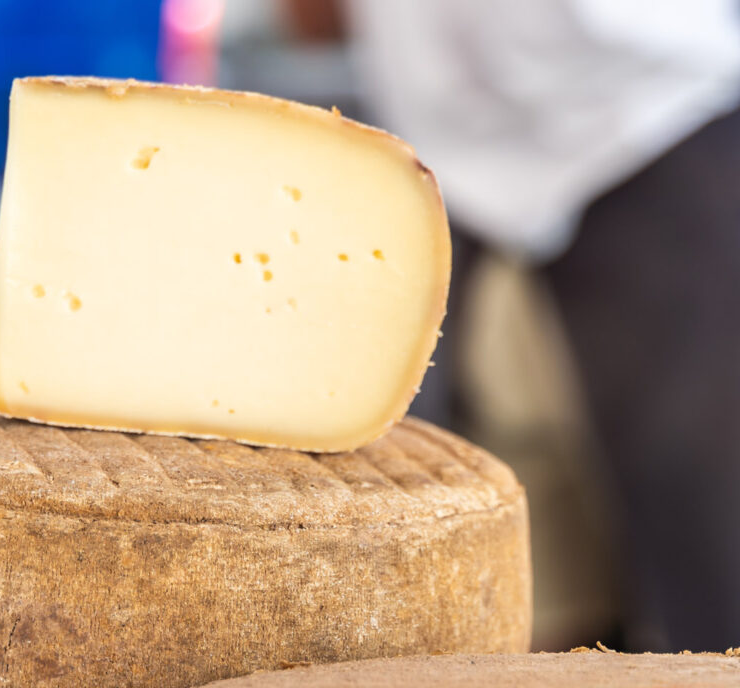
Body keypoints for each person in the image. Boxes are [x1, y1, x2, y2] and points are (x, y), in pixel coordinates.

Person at [283, 0, 740, 652]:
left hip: (651, 106)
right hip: (433, 125)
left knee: (708, 520)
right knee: (374, 476)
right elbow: (311, 22)